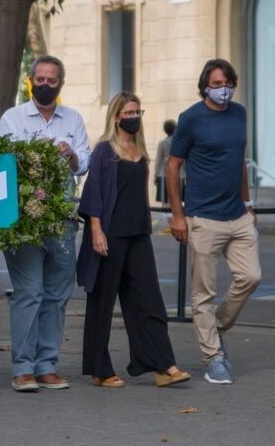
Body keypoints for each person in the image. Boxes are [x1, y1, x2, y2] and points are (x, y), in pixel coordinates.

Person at [77, 92, 190, 389]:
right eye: (128, 113)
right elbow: (95, 193)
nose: (133, 118)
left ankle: (164, 366)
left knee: (148, 300)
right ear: (116, 117)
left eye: (138, 112)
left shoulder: (141, 150)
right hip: (109, 235)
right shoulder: (104, 151)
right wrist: (97, 231)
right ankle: (99, 370)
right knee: (102, 303)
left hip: (139, 234)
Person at [0, 55, 90, 393]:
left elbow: (83, 164)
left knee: (56, 296)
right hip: (23, 221)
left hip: (62, 220)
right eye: (40, 79)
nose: (45, 85)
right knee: (29, 293)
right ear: (30, 81)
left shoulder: (74, 119)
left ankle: (47, 365)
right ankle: (22, 368)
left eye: (52, 80)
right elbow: (0, 161)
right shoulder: (13, 118)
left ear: (60, 83)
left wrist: (72, 155)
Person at [167, 58, 260, 385]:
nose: (224, 90)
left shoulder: (239, 113)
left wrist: (248, 204)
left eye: (227, 83)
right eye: (217, 84)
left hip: (237, 215)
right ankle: (213, 358)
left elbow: (240, 162)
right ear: (205, 86)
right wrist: (178, 215)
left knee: (251, 276)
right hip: (203, 218)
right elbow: (172, 166)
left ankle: (215, 329)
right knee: (202, 294)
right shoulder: (191, 118)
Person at [154, 119, 182, 205]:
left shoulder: (162, 143)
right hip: (179, 175)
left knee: (165, 202)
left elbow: (158, 162)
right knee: (178, 199)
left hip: (164, 175)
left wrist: (155, 176)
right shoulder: (180, 142)